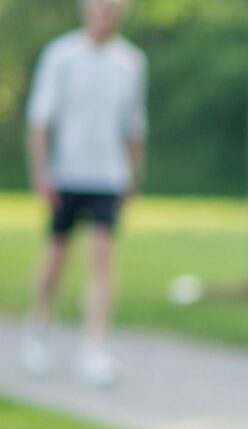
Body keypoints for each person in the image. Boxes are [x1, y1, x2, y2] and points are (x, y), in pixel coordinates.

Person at [21, 0, 147, 387]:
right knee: (57, 255)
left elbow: (134, 125)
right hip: (67, 174)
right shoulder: (60, 56)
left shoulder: (131, 61)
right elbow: (40, 120)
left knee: (102, 259)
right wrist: (42, 174)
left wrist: (134, 176)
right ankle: (39, 324)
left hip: (108, 176)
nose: (106, 12)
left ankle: (94, 346)